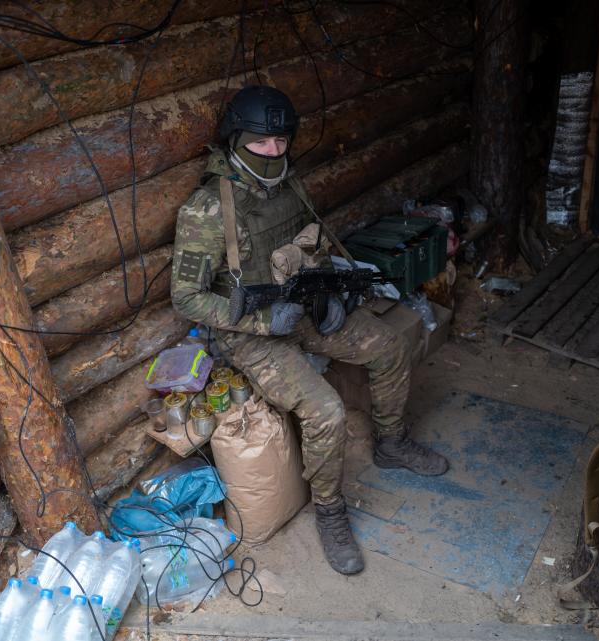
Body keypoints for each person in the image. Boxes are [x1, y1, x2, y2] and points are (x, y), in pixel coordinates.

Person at [170, 85, 449, 575]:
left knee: (387, 347)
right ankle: (330, 511)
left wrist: (334, 298)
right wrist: (260, 320)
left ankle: (390, 442)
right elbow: (187, 298)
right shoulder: (206, 211)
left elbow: (312, 246)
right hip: (249, 331)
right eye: (261, 142)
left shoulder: (288, 185)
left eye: (281, 141)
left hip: (302, 309)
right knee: (326, 411)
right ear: (236, 139)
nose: (274, 151)